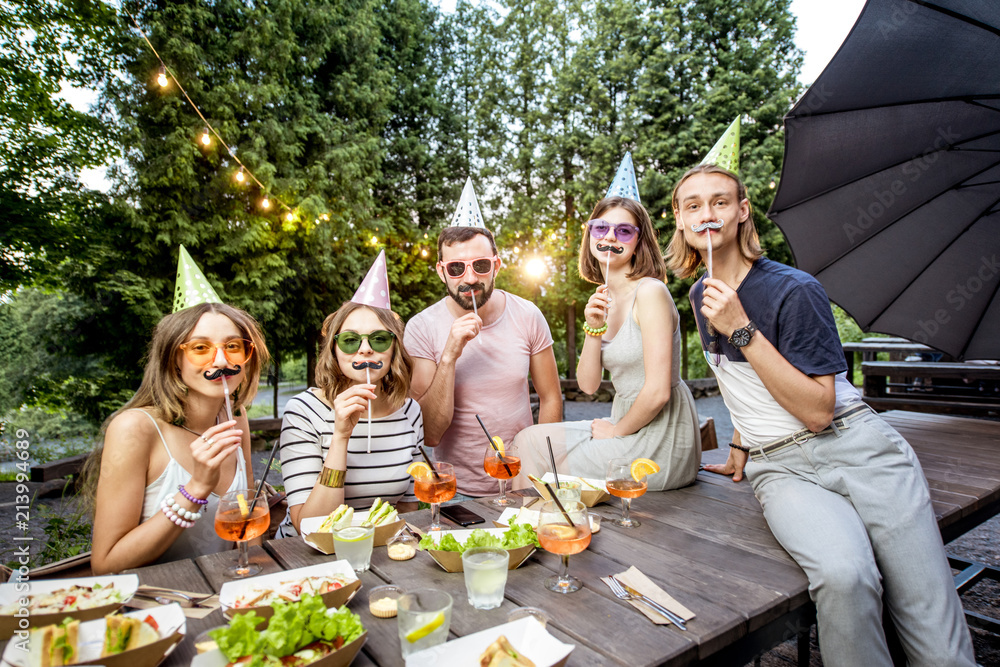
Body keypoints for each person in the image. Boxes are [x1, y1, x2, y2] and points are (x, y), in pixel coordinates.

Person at [669, 163, 975, 666]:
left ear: (742, 212)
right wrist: (742, 443)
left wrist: (742, 327)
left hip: (857, 448)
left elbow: (817, 411)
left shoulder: (795, 290)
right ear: (680, 220)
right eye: (694, 205)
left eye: (720, 202)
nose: (708, 214)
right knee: (846, 578)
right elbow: (737, 380)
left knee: (933, 633)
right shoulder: (701, 295)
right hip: (782, 469)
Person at [512, 196, 700, 489]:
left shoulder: (650, 292)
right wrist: (593, 329)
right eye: (601, 228)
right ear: (590, 235)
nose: (610, 236)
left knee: (549, 462)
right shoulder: (605, 298)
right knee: (528, 440)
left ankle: (537, 528)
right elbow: (588, 385)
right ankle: (537, 526)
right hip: (622, 423)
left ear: (639, 241)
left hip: (661, 436)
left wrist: (616, 431)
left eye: (624, 231)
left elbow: (659, 392)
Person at [405, 180, 562, 497]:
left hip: (522, 479)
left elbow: (551, 398)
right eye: (456, 268)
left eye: (480, 265)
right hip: (455, 490)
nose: (470, 278)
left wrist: (539, 468)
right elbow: (431, 434)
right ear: (441, 271)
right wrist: (449, 355)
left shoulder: (527, 315)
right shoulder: (421, 328)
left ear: (496, 266)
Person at [90, 302, 268, 573]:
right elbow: (105, 565)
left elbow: (247, 509)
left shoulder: (234, 416)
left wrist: (257, 580)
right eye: (200, 348)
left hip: (224, 593)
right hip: (156, 603)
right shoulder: (134, 428)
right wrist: (195, 488)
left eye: (233, 346)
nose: (221, 361)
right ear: (174, 357)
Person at [277, 301, 423, 536]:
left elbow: (406, 509)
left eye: (379, 339)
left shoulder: (409, 411)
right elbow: (309, 527)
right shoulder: (303, 410)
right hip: (308, 554)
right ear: (334, 350)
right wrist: (341, 436)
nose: (365, 349)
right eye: (349, 340)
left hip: (378, 547)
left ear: (394, 347)